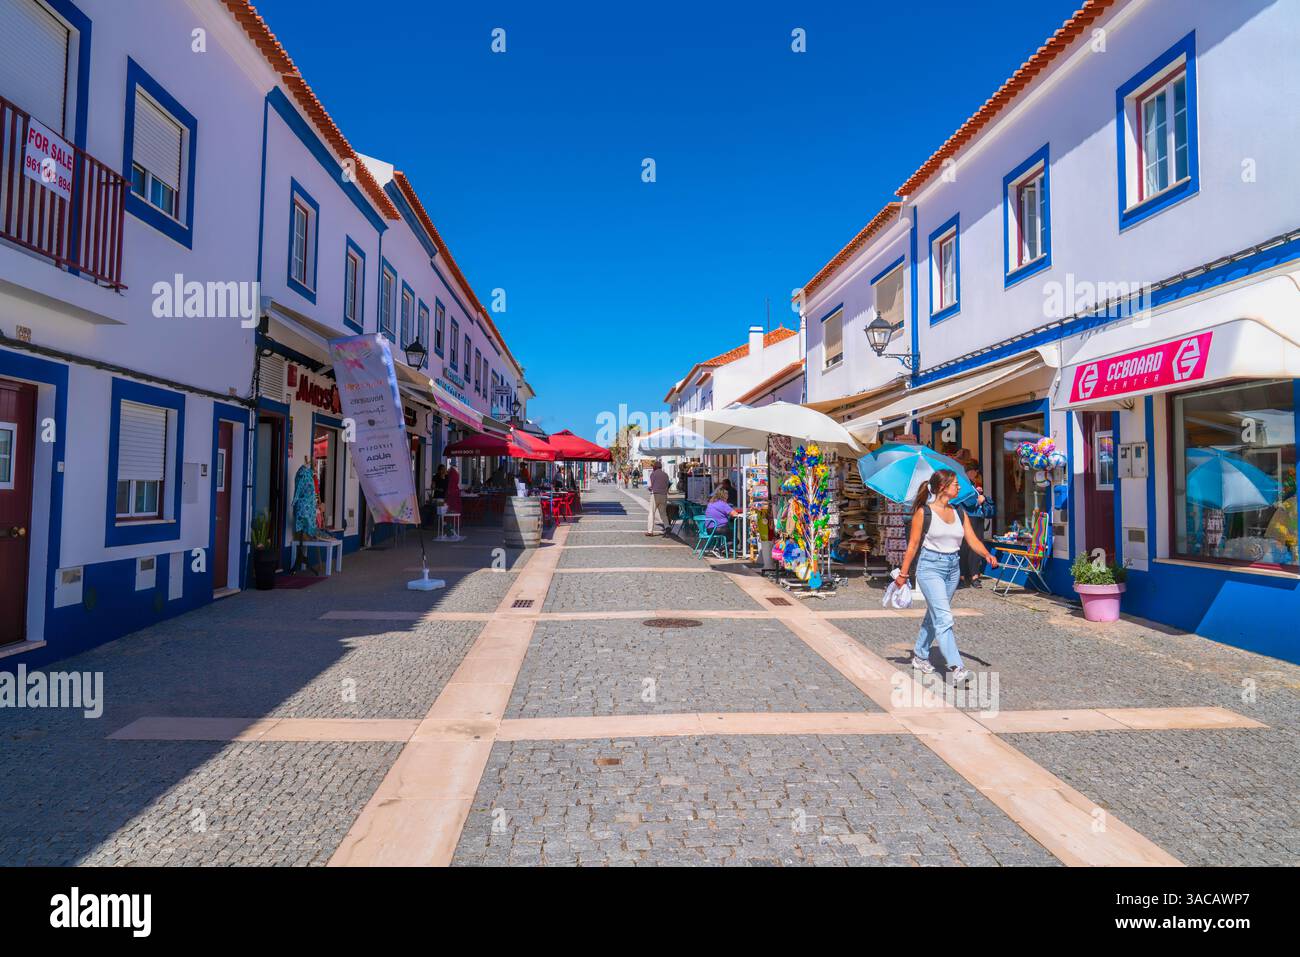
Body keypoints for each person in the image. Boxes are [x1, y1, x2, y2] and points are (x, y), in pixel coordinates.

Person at [895, 469, 999, 685]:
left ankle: (920, 655)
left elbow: (972, 539)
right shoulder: (924, 513)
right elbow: (913, 545)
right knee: (944, 618)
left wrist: (987, 554)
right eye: (955, 484)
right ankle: (957, 668)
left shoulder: (959, 512)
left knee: (934, 615)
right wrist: (903, 574)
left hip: (953, 569)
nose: (959, 487)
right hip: (930, 567)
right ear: (943, 488)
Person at [960, 467, 996, 588]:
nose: (975, 473)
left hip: (976, 517)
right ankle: (967, 575)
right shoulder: (963, 484)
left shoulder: (972, 484)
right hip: (970, 517)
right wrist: (978, 500)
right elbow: (965, 501)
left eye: (975, 471)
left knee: (975, 546)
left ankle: (973, 575)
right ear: (968, 472)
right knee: (966, 547)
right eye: (973, 470)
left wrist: (977, 492)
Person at [645, 459, 672, 535]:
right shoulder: (666, 475)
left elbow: (650, 486)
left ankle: (650, 531)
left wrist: (650, 488)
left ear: (655, 467)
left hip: (655, 495)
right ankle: (667, 526)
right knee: (663, 513)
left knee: (651, 512)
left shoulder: (652, 474)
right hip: (664, 495)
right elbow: (668, 484)